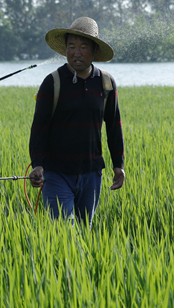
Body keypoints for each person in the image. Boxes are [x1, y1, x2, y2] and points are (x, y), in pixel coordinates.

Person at [29, 17, 125, 228]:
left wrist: (118, 165)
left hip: (92, 174)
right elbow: (39, 129)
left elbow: (114, 126)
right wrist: (37, 165)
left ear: (94, 51)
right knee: (64, 232)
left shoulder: (106, 83)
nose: (76, 52)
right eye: (71, 46)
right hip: (56, 174)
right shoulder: (53, 82)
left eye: (83, 46)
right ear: (65, 50)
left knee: (84, 230)